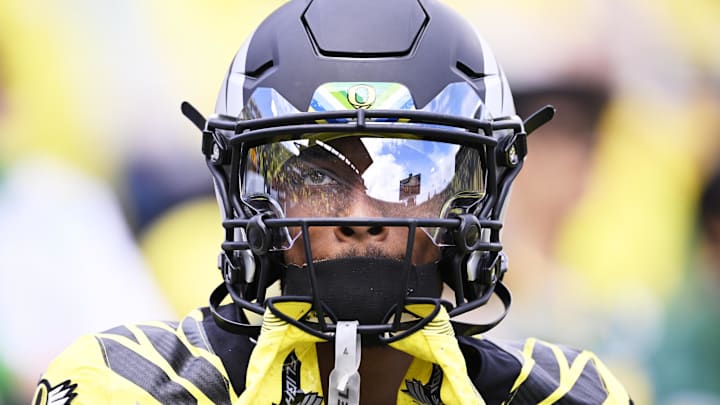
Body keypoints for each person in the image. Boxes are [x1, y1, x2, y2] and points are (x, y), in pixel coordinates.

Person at [34, 0, 632, 403]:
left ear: (467, 200)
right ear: (256, 196)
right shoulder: (126, 385)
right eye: (316, 179)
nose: (360, 217)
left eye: (409, 176)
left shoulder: (568, 393)